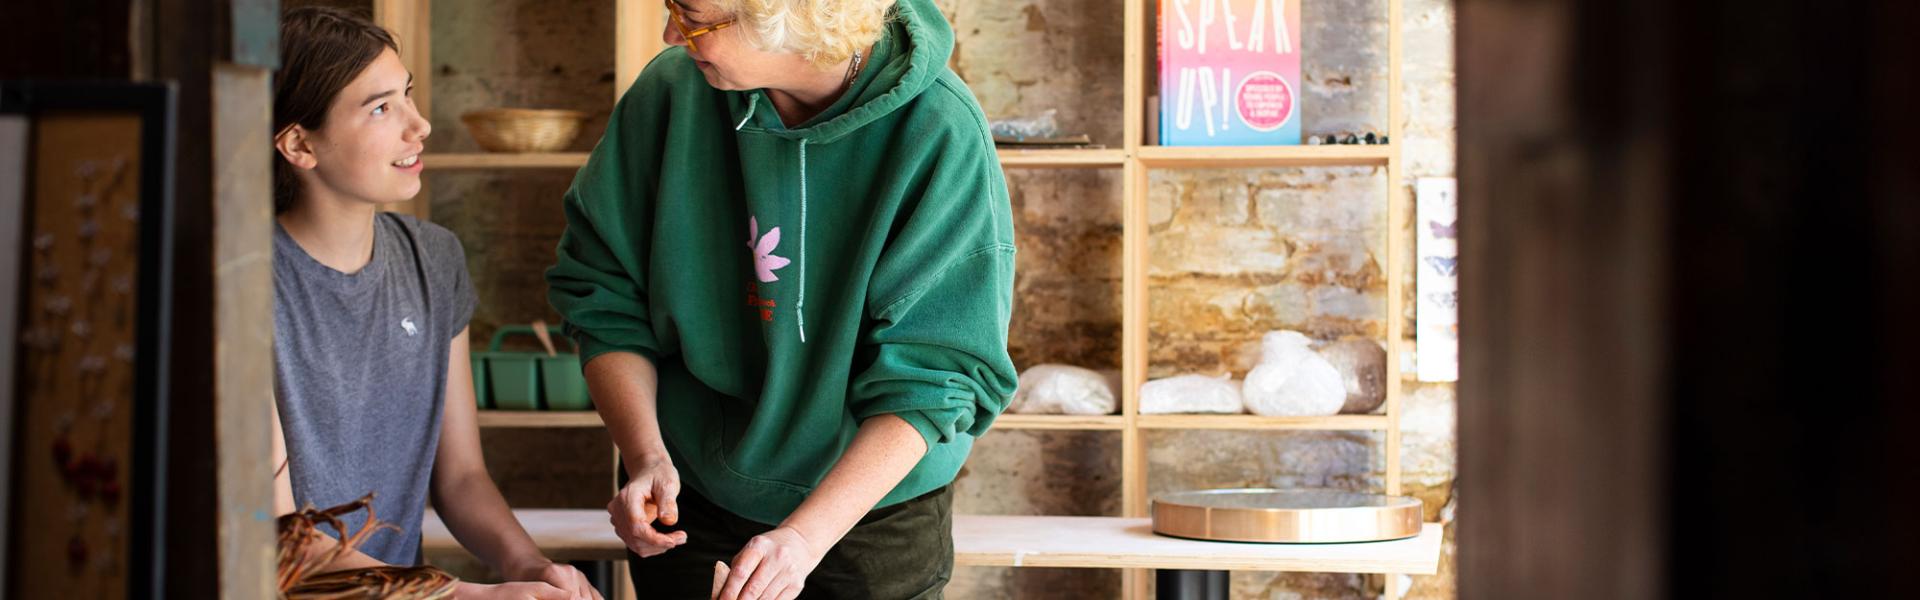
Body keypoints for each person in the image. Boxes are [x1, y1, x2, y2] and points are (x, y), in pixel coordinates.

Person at [546, 0, 1018, 597]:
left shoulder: (939, 130)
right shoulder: (670, 91)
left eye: (693, 16)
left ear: (790, 16)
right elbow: (604, 296)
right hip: (687, 490)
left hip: (866, 512)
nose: (671, 33)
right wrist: (645, 456)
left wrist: (804, 537)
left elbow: (936, 377)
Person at [269, 7, 600, 599]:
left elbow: (462, 477)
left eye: (409, 96)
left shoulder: (433, 258)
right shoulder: (246, 282)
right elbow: (279, 538)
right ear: (300, 144)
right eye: (380, 108)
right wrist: (469, 596)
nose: (418, 125)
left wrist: (528, 566)